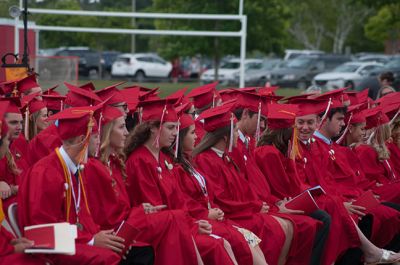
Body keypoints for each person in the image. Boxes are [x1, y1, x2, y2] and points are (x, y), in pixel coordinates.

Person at [255, 102, 400, 265]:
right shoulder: (270, 152)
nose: (303, 128)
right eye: (299, 123)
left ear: (318, 122)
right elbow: (287, 187)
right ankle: (368, 252)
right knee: (330, 209)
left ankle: (368, 252)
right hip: (282, 202)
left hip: (299, 197)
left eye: (310, 122)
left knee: (340, 206)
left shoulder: (294, 149)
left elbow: (316, 182)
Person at [192, 102, 320, 265]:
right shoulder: (206, 160)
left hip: (243, 211)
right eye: (236, 131)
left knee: (287, 226)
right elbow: (220, 197)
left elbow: (245, 188)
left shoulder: (225, 158)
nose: (238, 135)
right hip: (233, 215)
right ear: (226, 136)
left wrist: (259, 204)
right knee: (277, 229)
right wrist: (255, 206)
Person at [18, 106, 145, 265]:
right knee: (110, 258)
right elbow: (43, 230)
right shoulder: (46, 172)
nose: (99, 142)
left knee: (136, 252)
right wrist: (91, 240)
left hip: (74, 241)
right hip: (53, 248)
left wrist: (101, 235)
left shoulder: (74, 168)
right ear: (80, 140)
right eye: (94, 137)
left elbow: (83, 217)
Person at [83, 105, 203, 265]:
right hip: (121, 228)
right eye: (121, 127)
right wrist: (139, 211)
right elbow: (109, 216)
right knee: (175, 219)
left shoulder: (115, 163)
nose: (126, 132)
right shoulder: (99, 167)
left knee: (178, 220)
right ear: (107, 132)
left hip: (133, 220)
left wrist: (140, 210)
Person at [124, 99, 238, 265]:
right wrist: (191, 226)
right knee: (216, 244)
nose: (175, 133)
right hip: (158, 233)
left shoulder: (163, 159)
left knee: (223, 242)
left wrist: (194, 222)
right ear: (153, 129)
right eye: (170, 127)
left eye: (176, 128)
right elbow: (155, 211)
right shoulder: (139, 161)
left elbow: (179, 201)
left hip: (178, 225)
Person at [169, 111, 268, 265]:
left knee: (251, 239)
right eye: (193, 133)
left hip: (215, 216)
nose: (196, 137)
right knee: (239, 239)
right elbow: (185, 200)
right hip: (203, 219)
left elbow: (208, 194)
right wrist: (207, 212)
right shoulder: (187, 165)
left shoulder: (189, 162)